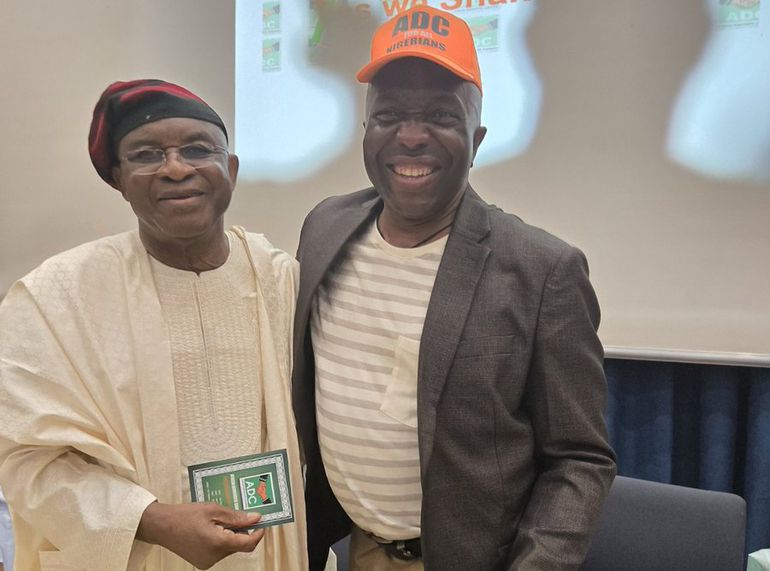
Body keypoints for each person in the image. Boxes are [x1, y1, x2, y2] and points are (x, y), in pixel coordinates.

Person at [292, 5, 617, 570]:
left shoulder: (542, 269)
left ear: (477, 135)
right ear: (366, 129)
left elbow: (580, 459)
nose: (411, 137)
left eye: (441, 116)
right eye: (390, 114)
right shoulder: (324, 229)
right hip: (355, 550)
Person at [0, 80, 307, 570]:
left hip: (270, 554)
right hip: (137, 554)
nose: (176, 168)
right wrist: (152, 519)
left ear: (230, 168)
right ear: (118, 178)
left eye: (197, 149)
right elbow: (27, 460)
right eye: (147, 154)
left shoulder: (282, 280)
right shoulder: (54, 298)